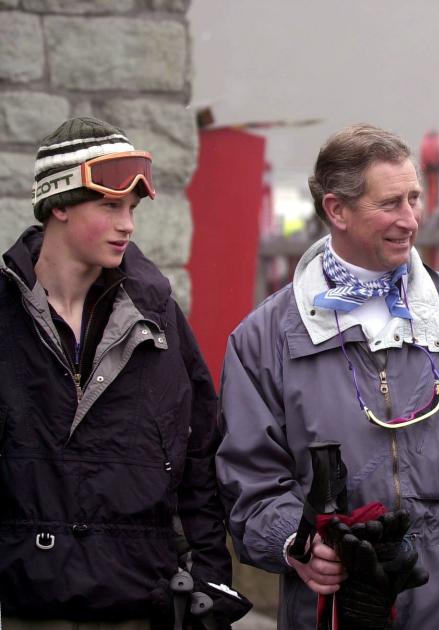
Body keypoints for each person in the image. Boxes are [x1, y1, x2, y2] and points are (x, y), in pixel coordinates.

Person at [216, 123, 439, 629]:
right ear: (337, 210)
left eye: (414, 199)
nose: (411, 220)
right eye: (391, 204)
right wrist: (295, 543)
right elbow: (250, 484)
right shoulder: (265, 338)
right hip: (342, 596)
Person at [0, 118, 242, 627]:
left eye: (131, 209)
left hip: (143, 608)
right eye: (109, 206)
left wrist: (212, 579)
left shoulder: (158, 317)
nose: (127, 224)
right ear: (58, 205)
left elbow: (199, 455)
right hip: (22, 610)